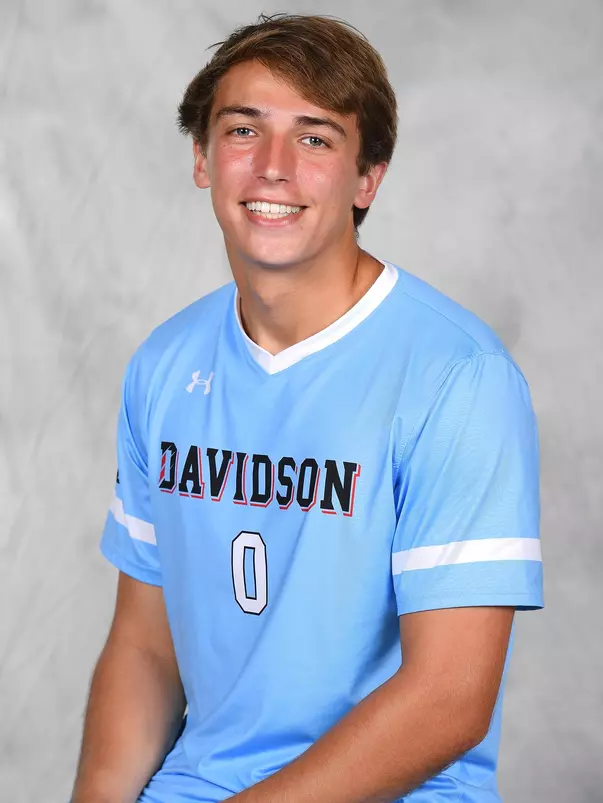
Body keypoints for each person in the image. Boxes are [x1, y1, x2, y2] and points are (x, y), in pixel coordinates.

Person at [70, 12, 543, 803]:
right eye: (243, 130)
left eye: (316, 138)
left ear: (367, 178)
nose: (273, 168)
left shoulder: (458, 377)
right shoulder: (165, 363)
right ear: (202, 157)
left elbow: (448, 700)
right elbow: (145, 647)